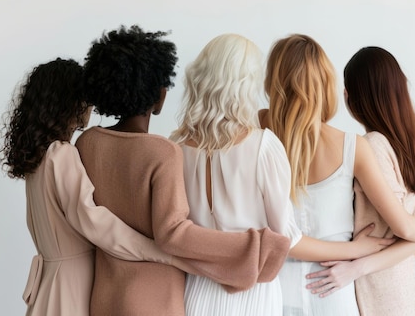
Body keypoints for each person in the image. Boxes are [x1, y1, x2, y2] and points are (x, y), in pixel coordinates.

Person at [170, 34, 396, 316]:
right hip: (255, 290)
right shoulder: (262, 144)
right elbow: (288, 238)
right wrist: (357, 250)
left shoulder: (174, 148)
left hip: (197, 291)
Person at [74, 25, 291, 316]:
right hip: (167, 294)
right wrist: (256, 248)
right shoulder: (165, 152)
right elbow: (173, 233)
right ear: (158, 95)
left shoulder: (87, 143)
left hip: (106, 292)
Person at [259, 34, 415, 316]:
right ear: (325, 84)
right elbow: (402, 229)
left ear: (272, 81)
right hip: (334, 290)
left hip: (277, 289)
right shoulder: (353, 147)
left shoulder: (257, 136)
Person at [0, 58, 175, 316]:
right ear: (72, 101)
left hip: (49, 285)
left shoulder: (39, 158)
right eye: (86, 97)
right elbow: (93, 221)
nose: (91, 105)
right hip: (72, 287)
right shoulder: (61, 154)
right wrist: (159, 252)